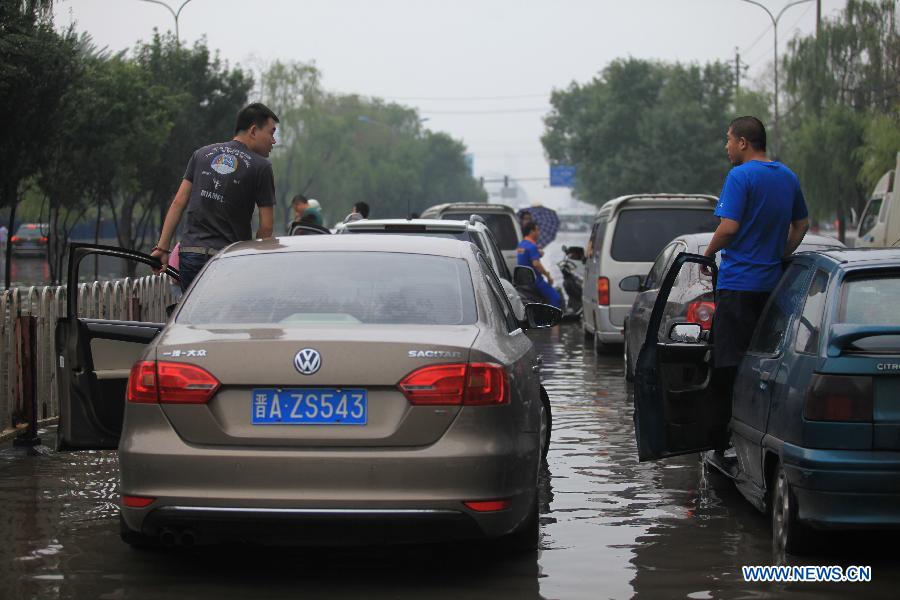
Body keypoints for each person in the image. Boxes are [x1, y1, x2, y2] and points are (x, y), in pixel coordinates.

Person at [702, 116, 809, 444]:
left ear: (743, 142)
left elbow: (729, 227)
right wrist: (779, 255)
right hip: (772, 289)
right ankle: (764, 432)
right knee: (766, 368)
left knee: (729, 369)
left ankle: (725, 442)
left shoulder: (739, 176)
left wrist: (707, 255)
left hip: (738, 288)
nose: (727, 146)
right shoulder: (787, 176)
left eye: (729, 139)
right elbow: (802, 224)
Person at [151, 103, 278, 290]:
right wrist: (254, 261)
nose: (273, 141)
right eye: (271, 132)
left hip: (191, 255)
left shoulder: (201, 154)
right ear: (253, 130)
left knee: (194, 317)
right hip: (229, 259)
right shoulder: (261, 167)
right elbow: (266, 227)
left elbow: (178, 202)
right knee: (224, 317)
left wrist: (162, 249)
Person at [517, 222, 562, 308]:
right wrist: (548, 276)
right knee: (556, 298)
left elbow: (526, 257)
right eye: (537, 230)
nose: (539, 232)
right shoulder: (532, 246)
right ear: (531, 232)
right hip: (535, 280)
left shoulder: (521, 244)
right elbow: (536, 264)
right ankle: (553, 319)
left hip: (524, 280)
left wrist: (538, 253)